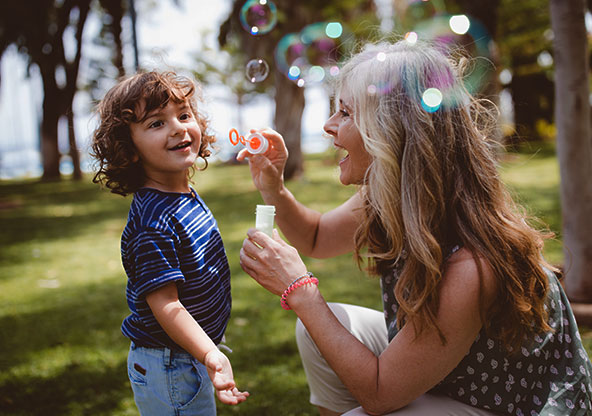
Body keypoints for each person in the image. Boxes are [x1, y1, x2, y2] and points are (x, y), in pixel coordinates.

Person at [238, 40, 592, 415]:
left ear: (392, 132)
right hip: (456, 376)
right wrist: (274, 189)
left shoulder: (474, 265)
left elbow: (379, 395)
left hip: (509, 406)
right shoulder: (390, 193)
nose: (328, 125)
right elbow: (317, 237)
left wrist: (301, 292)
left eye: (345, 112)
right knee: (321, 331)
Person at [91, 71, 248, 415]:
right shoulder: (153, 222)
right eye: (156, 123)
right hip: (170, 364)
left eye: (184, 115)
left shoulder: (182, 195)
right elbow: (167, 305)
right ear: (129, 149)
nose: (177, 128)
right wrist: (210, 354)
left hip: (185, 354)